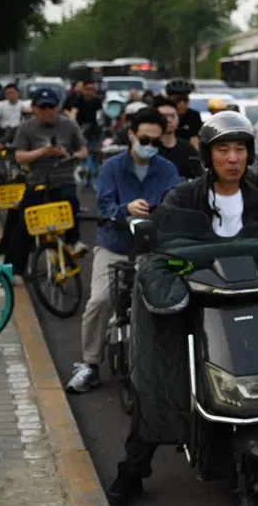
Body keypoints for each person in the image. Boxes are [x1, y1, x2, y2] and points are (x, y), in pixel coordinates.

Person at [106, 111, 258, 506]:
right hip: (193, 312)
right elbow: (163, 252)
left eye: (240, 148)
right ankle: (131, 473)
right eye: (223, 149)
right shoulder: (182, 198)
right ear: (208, 155)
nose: (232, 157)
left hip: (252, 307)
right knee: (159, 381)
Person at [65, 107, 182, 393]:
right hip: (114, 246)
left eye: (157, 141)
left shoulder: (168, 170)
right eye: (145, 139)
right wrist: (125, 210)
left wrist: (159, 213)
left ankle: (164, 365)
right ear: (131, 135)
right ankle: (90, 364)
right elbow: (104, 206)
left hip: (151, 250)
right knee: (100, 301)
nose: (150, 146)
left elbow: (175, 205)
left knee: (166, 303)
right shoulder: (111, 168)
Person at [3, 89, 89, 279]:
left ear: (58, 107)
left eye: (52, 107)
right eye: (43, 108)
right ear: (34, 108)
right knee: (24, 225)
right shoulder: (26, 128)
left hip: (63, 178)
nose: (48, 111)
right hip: (37, 180)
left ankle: (73, 241)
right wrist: (43, 152)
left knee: (70, 201)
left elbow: (83, 150)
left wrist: (72, 156)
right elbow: (19, 156)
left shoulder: (68, 125)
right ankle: (11, 270)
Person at [153, 95, 204, 180]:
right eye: (164, 116)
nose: (169, 120)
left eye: (172, 116)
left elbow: (199, 178)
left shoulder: (188, 148)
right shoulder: (148, 147)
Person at [165, 79, 202, 150]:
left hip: (186, 152)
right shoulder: (160, 114)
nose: (182, 104)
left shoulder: (194, 115)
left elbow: (194, 140)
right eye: (177, 100)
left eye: (185, 100)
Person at [68, 80, 104, 145]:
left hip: (93, 128)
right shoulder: (78, 100)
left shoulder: (97, 100)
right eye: (88, 89)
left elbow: (100, 114)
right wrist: (73, 124)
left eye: (92, 89)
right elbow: (73, 112)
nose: (90, 91)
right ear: (83, 89)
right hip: (81, 127)